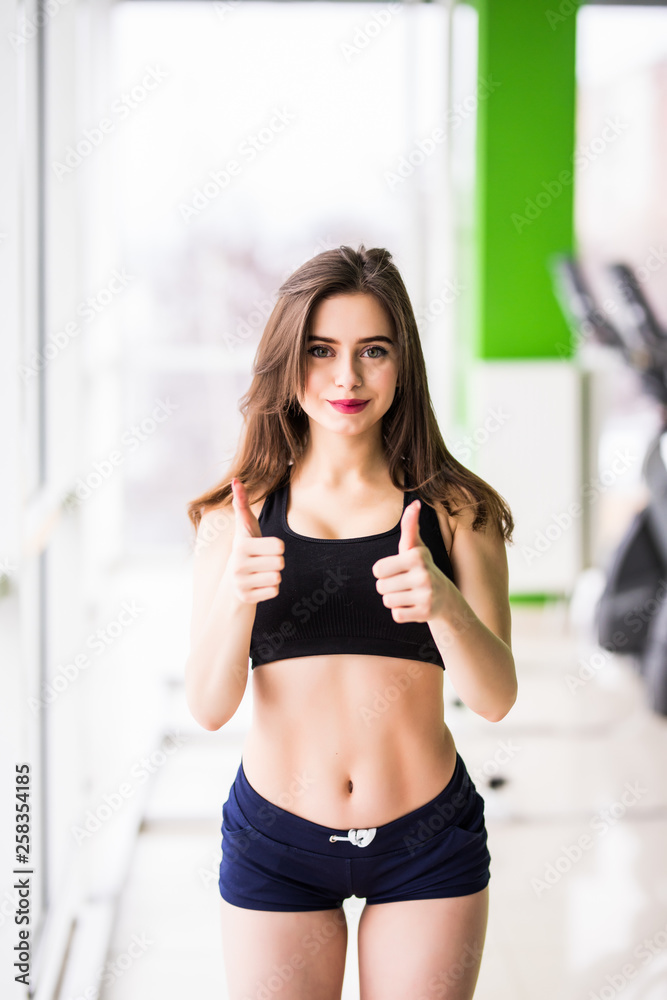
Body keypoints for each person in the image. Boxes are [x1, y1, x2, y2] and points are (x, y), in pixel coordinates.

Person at [185, 244, 517, 1000]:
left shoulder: (457, 513)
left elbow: (496, 696)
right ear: (285, 362)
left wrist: (444, 605)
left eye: (373, 351)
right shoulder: (230, 519)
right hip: (277, 843)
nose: (346, 378)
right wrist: (240, 594)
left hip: (425, 844)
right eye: (320, 351)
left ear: (403, 365)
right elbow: (207, 708)